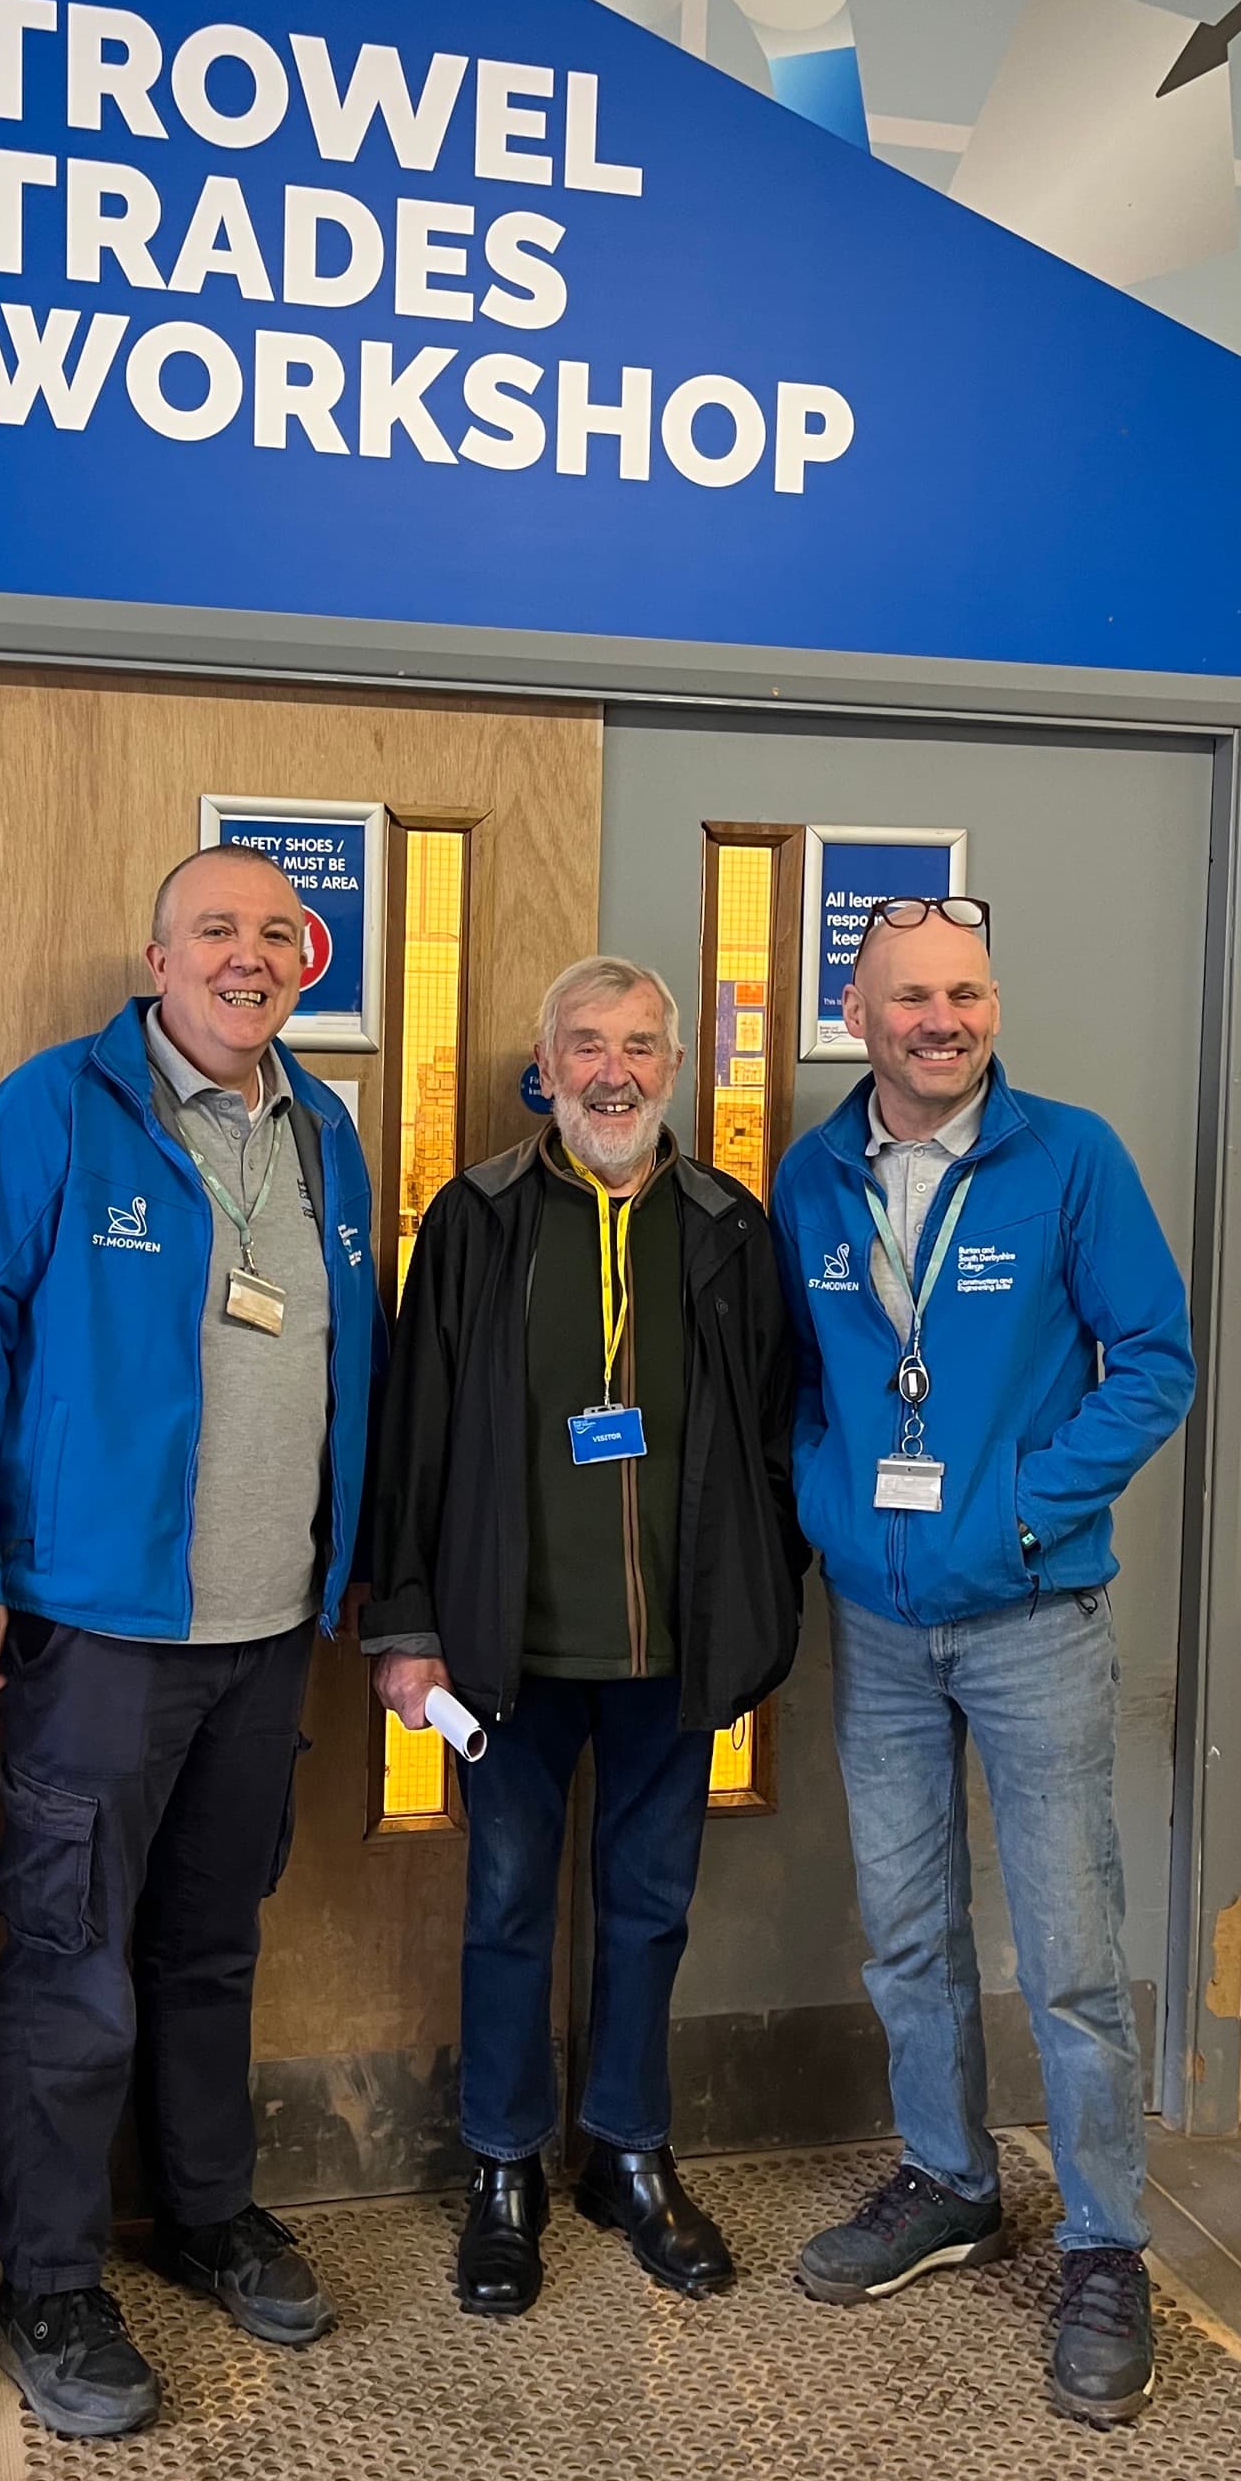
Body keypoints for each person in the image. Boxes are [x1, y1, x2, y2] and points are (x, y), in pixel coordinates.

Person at [0, 845, 381, 2439]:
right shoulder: (56, 1110)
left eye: (272, 935)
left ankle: (202, 2212)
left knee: (209, 1945)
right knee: (68, 1960)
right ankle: (46, 2282)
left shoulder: (327, 1134)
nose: (247, 958)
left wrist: (356, 1575)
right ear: (158, 953)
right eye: (214, 933)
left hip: (268, 1632)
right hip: (100, 1632)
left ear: (301, 959)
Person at [769, 896, 1195, 2427]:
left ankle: (1105, 2245)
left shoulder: (1069, 1158)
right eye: (908, 997)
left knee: (1073, 1954)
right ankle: (949, 2183)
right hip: (878, 1623)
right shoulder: (812, 1179)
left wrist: (1024, 1511)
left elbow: (1155, 1361)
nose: (940, 1020)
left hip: (1032, 1618)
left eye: (964, 993)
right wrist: (831, 1503)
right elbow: (802, 1384)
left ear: (991, 1005)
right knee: (905, 1928)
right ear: (858, 1014)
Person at [366, 956, 804, 2318]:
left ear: (676, 1067)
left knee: (649, 1910)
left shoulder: (730, 1224)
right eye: (583, 1045)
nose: (611, 1071)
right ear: (543, 1066)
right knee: (504, 1907)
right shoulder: (478, 1220)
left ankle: (626, 2147)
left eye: (638, 1046)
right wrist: (406, 1628)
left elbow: (776, 1436)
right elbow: (413, 1434)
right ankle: (503, 2166)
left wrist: (758, 1604)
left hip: (674, 1655)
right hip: (507, 1655)